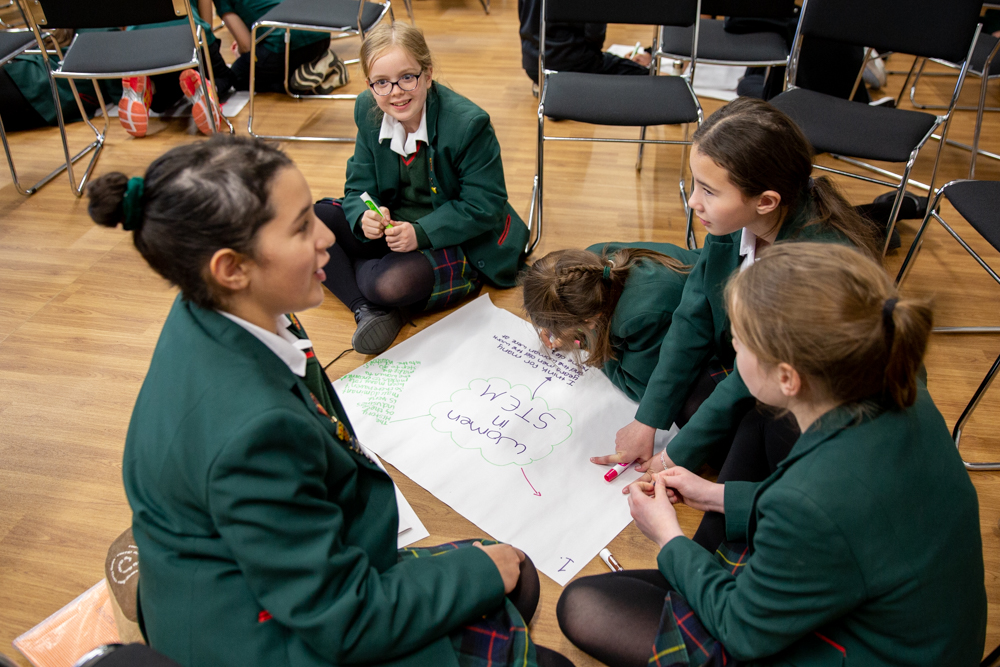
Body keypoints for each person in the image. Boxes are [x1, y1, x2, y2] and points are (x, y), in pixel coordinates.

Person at [85, 135, 572, 667]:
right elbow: (345, 619)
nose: (326, 237)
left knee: (514, 578)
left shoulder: (221, 308)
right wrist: (479, 571)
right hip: (267, 641)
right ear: (231, 268)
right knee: (525, 613)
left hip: (284, 582)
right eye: (301, 227)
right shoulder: (253, 431)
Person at [557, 243, 988, 667]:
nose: (732, 350)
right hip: (924, 628)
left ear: (787, 378)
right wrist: (715, 495)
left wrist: (667, 535)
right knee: (755, 427)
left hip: (866, 649)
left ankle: (698, 573)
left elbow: (743, 631)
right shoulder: (899, 386)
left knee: (583, 604)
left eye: (739, 342)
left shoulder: (811, 497)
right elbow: (851, 520)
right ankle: (701, 572)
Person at [317, 22, 528, 355]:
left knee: (387, 283)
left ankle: (376, 297)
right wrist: (362, 216)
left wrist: (421, 233)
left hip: (458, 237)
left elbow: (485, 205)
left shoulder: (468, 124)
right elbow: (358, 187)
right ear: (370, 86)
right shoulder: (367, 110)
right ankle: (367, 309)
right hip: (394, 228)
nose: (396, 92)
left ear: (428, 75)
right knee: (314, 219)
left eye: (407, 77)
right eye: (382, 82)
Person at [521, 242, 697, 407]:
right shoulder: (586, 267)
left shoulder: (637, 318)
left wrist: (585, 340)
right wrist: (568, 325)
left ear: (589, 319)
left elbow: (636, 387)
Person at [213, 0, 348, 95]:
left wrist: (241, 52)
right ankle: (319, 63)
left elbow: (246, 46)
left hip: (290, 43)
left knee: (237, 75)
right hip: (321, 32)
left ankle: (296, 84)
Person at [517, 0, 650, 92]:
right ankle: (565, 94)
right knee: (644, 75)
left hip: (533, 65)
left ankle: (551, 90)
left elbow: (523, 17)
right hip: (572, 64)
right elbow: (595, 36)